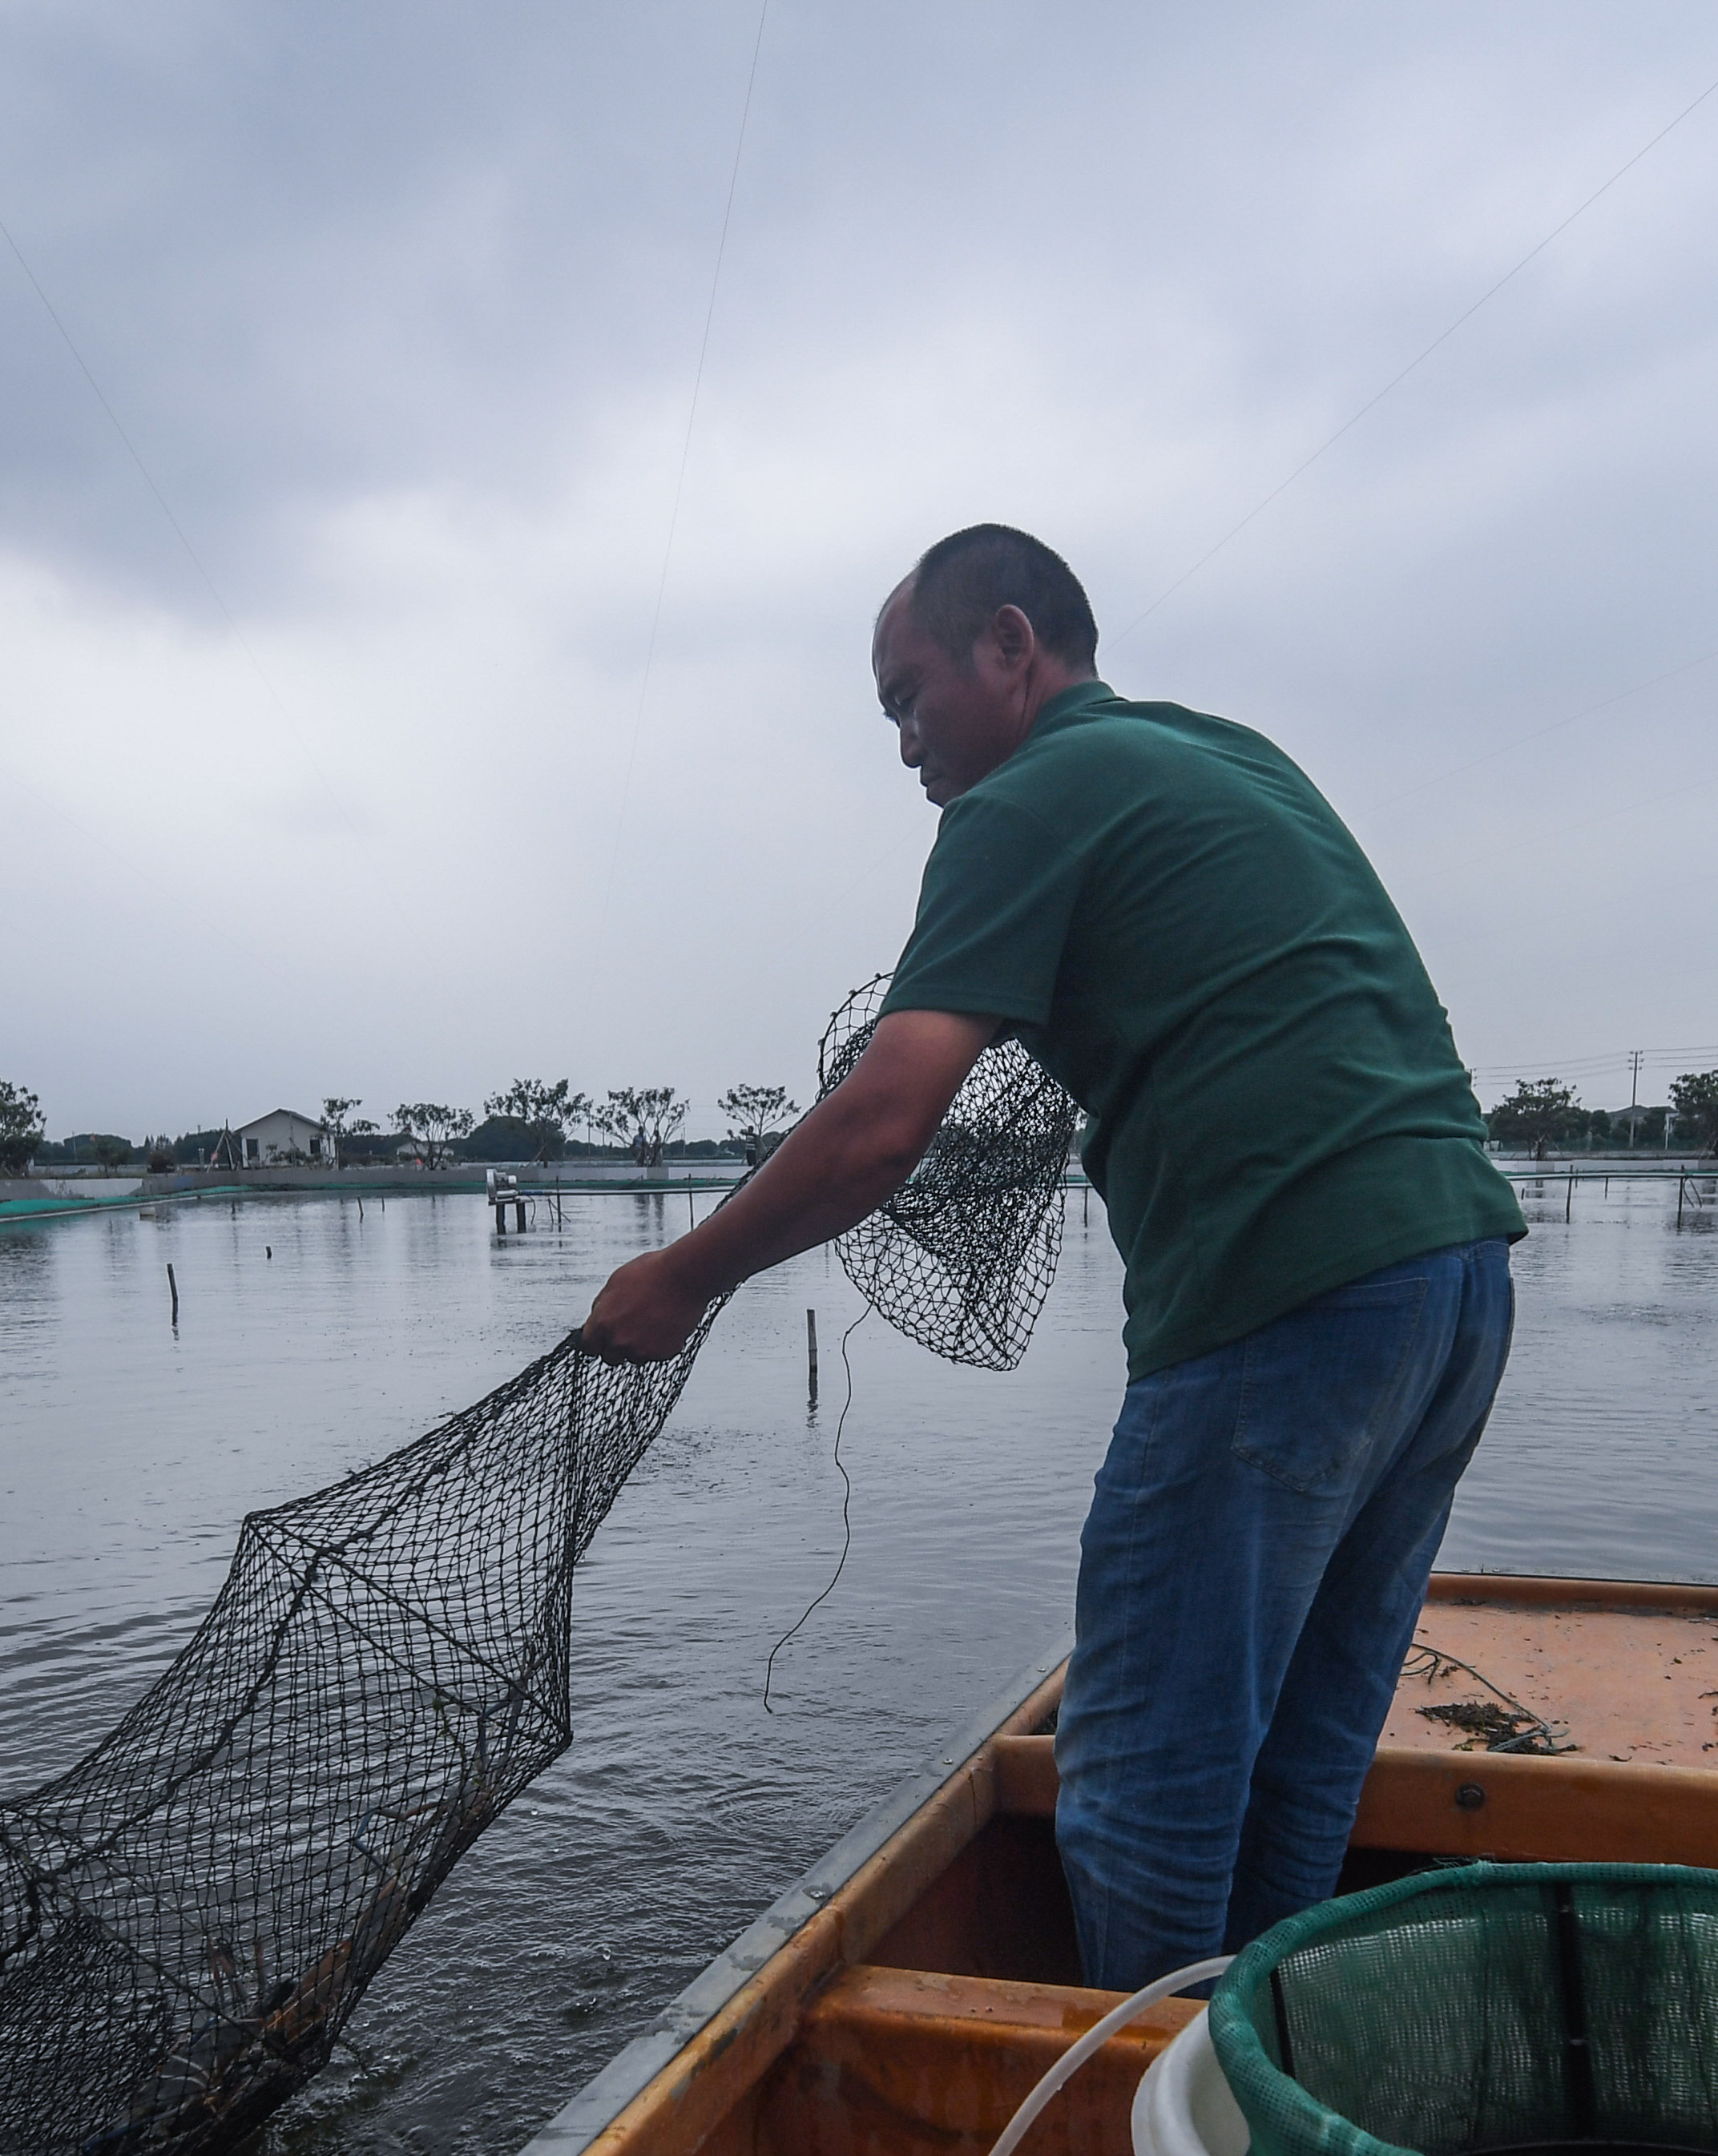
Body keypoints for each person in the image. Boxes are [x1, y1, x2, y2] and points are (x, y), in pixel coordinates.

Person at [583, 524, 1522, 1995]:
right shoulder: (1229, 753)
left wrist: (680, 1278)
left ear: (1012, 646)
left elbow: (883, 1124)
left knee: (1146, 1785)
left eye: (909, 696)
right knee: (1303, 1754)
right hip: (1457, 1283)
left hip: (1284, 1297)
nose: (903, 744)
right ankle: (1260, 2106)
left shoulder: (1022, 801)